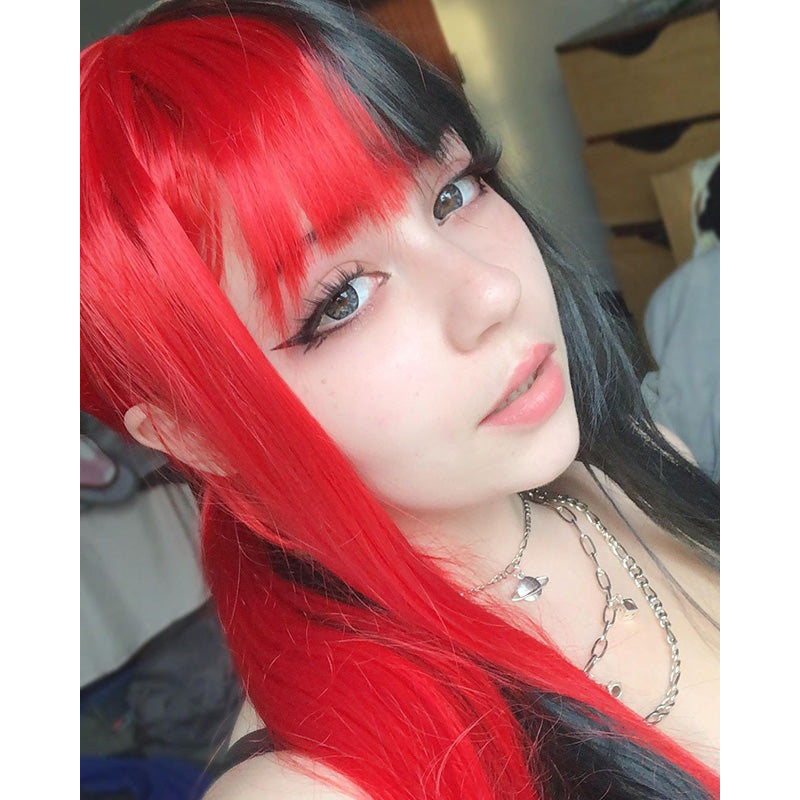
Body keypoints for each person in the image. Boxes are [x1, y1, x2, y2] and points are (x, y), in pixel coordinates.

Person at [80, 1, 720, 797]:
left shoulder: (643, 465)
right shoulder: (313, 787)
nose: (491, 291)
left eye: (454, 193)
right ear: (198, 433)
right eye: (341, 299)